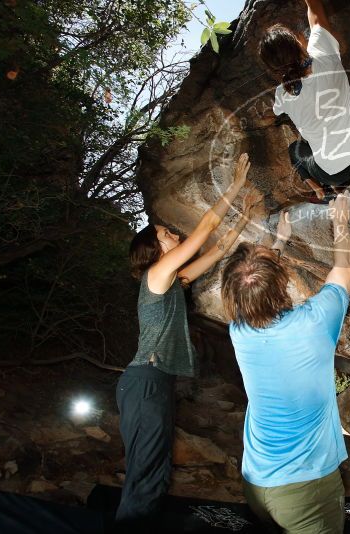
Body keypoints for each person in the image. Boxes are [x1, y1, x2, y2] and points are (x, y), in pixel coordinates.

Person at [116, 153, 257, 529]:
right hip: (144, 381)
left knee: (158, 469)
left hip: (157, 382)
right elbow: (203, 230)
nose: (173, 235)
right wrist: (235, 185)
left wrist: (244, 215)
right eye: (166, 235)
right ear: (153, 249)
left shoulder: (172, 282)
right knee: (145, 473)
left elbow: (216, 251)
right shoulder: (156, 274)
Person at [221, 194, 350, 533]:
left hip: (256, 482)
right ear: (280, 284)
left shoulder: (240, 331)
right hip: (304, 491)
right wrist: (340, 220)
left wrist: (278, 241)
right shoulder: (315, 322)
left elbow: (252, 284)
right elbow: (344, 269)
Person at [259, 0, 350, 203]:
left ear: (273, 67)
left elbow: (275, 110)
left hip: (332, 173)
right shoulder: (325, 56)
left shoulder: (283, 94)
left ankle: (322, 191)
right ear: (298, 42)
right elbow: (316, 15)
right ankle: (329, 188)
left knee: (295, 150)